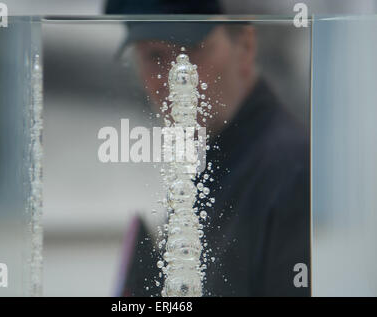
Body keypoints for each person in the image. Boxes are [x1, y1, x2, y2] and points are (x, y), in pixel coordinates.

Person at [107, 0, 310, 297]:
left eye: (191, 51)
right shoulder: (221, 162)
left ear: (245, 46)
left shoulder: (289, 171)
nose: (178, 79)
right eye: (154, 56)